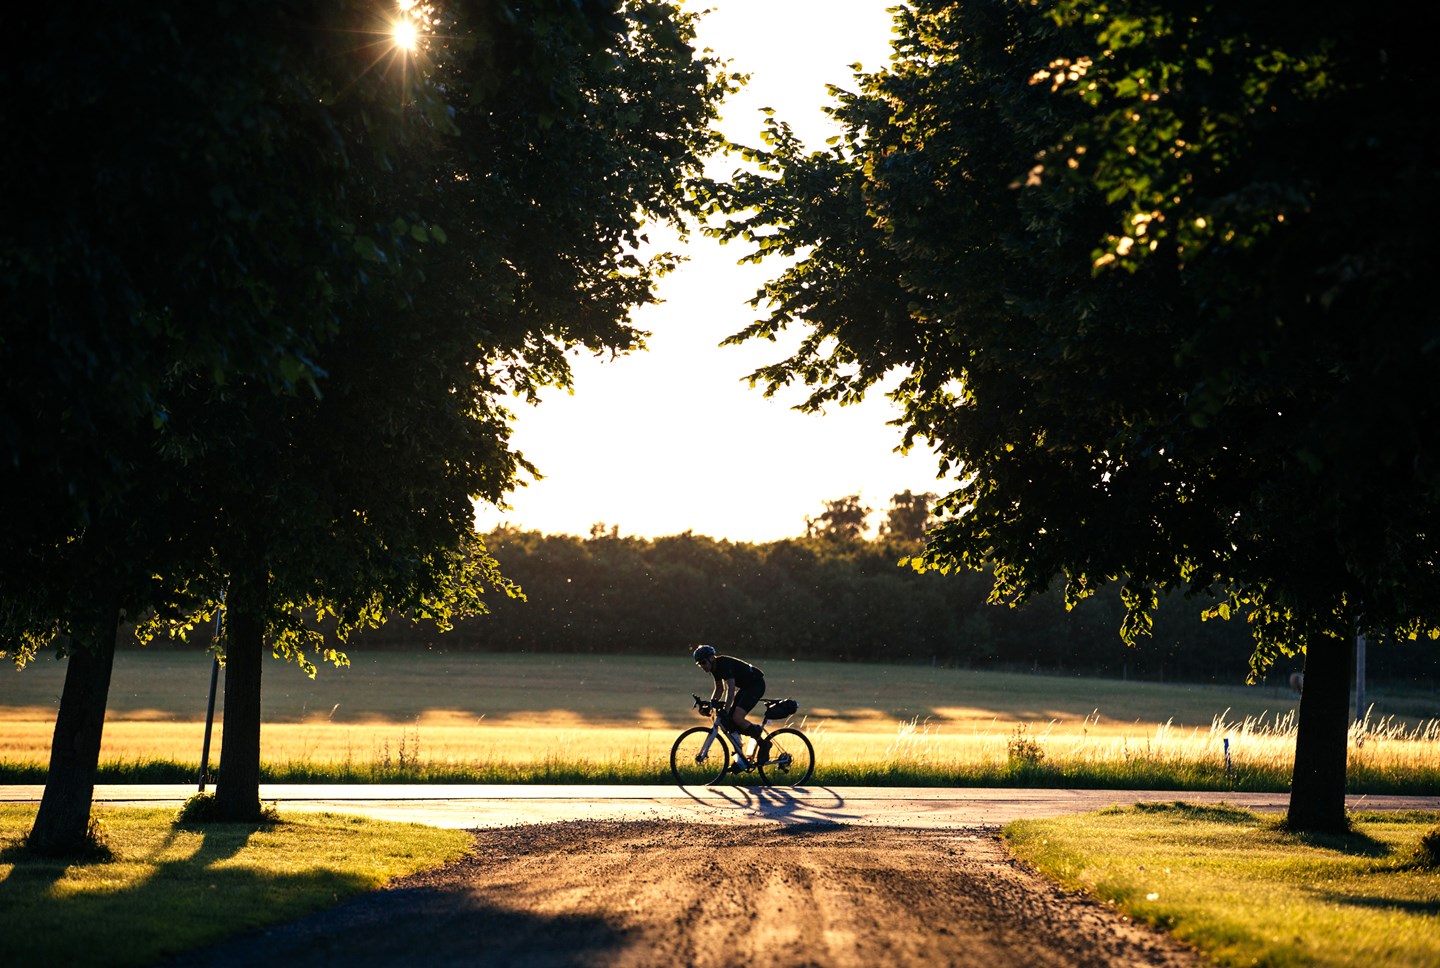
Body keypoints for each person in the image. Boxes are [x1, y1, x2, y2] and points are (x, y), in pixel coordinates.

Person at [691, 644, 771, 763]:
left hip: (756, 685)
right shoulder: (714, 669)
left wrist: (726, 710)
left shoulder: (724, 664)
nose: (702, 666)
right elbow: (719, 689)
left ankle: (763, 743)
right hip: (746, 687)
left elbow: (731, 689)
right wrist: (710, 705)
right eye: (699, 664)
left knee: (736, 717)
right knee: (730, 721)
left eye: (703, 662)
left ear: (711, 658)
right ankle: (741, 759)